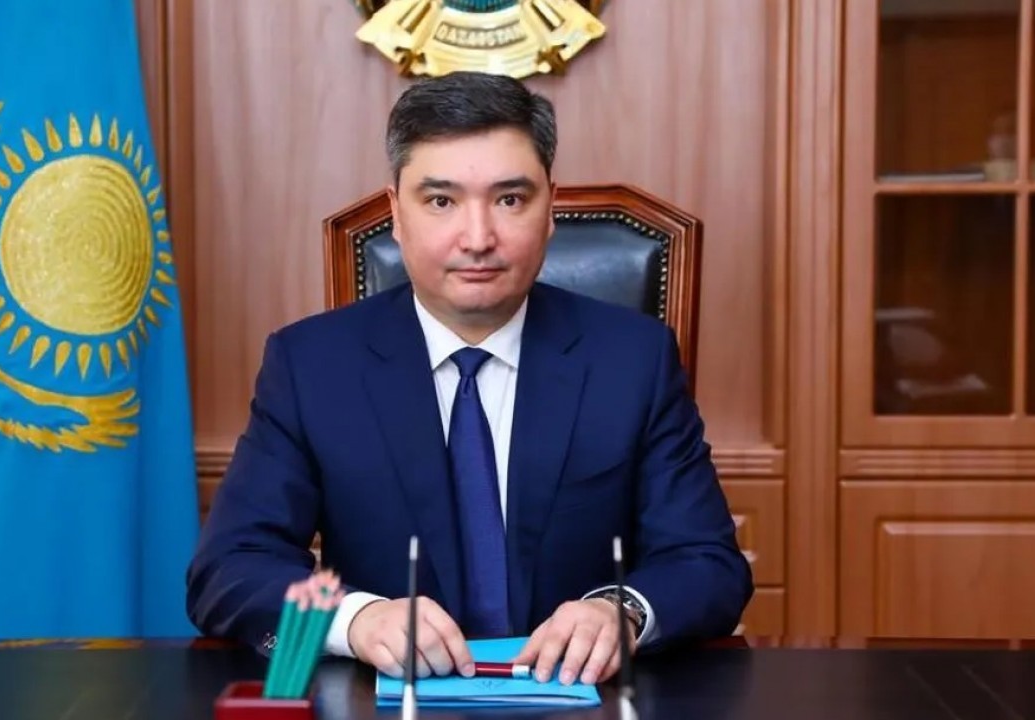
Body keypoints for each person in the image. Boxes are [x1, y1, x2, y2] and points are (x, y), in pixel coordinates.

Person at [186, 71, 752, 687]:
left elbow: (706, 561)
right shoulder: (311, 365)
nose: (478, 239)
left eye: (510, 200)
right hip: (389, 698)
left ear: (550, 209)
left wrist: (623, 610)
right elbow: (231, 567)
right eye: (441, 201)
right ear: (395, 213)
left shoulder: (633, 359)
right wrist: (356, 619)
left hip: (576, 696)